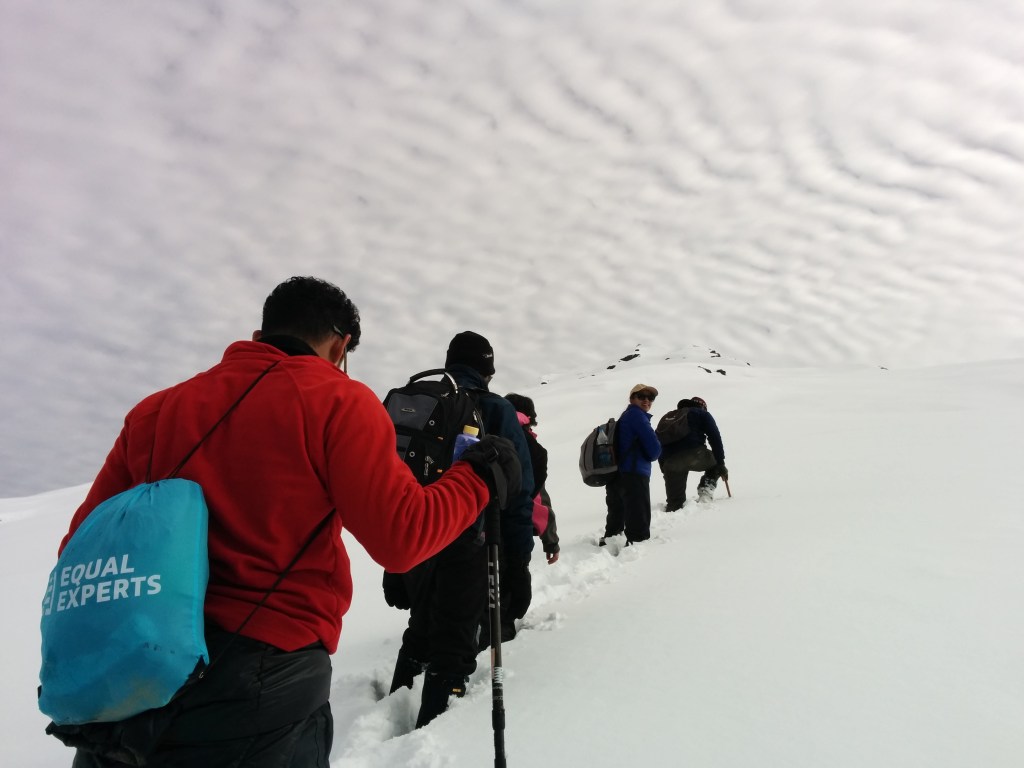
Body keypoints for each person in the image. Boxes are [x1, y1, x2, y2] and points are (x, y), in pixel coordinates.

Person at [49, 277, 520, 768]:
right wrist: (477, 478)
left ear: (258, 335)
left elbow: (79, 548)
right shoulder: (338, 400)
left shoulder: (154, 411)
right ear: (341, 344)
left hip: (127, 679)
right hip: (261, 683)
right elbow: (402, 536)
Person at [388, 331, 535, 728]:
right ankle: (429, 737)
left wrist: (394, 564)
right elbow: (519, 492)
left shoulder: (421, 405)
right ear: (487, 368)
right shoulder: (495, 408)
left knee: (421, 626)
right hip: (473, 538)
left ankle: (391, 707)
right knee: (455, 639)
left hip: (420, 532)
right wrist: (518, 561)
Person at [600, 384, 662, 546]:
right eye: (641, 396)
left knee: (616, 517)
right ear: (632, 399)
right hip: (634, 473)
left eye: (651, 398)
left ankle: (609, 545)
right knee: (638, 523)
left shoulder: (625, 416)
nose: (647, 400)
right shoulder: (637, 416)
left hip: (617, 474)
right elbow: (655, 450)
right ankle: (635, 553)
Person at [505, 393, 560, 567]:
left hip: (471, 530)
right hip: (513, 529)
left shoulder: (483, 428)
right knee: (513, 585)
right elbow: (536, 501)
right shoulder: (527, 445)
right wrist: (551, 541)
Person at [658, 395, 728, 508]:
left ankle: (673, 515)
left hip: (670, 462)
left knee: (675, 505)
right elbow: (715, 437)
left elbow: (660, 442)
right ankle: (705, 491)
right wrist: (721, 463)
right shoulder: (701, 413)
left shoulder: (669, 417)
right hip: (695, 455)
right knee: (715, 462)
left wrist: (664, 467)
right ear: (703, 407)